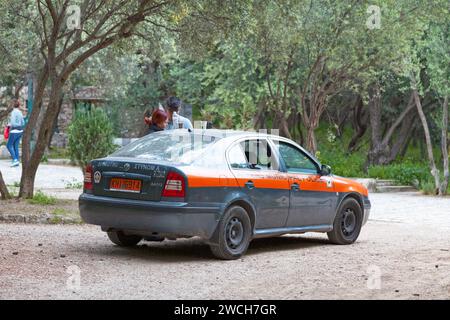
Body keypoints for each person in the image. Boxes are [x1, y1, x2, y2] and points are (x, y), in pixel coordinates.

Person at [6, 100, 25, 167]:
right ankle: (17, 161)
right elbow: (23, 123)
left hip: (14, 131)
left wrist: (9, 125)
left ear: (13, 105)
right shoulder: (20, 112)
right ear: (18, 105)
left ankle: (15, 160)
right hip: (20, 131)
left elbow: (13, 123)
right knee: (15, 146)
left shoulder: (13, 112)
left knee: (8, 145)